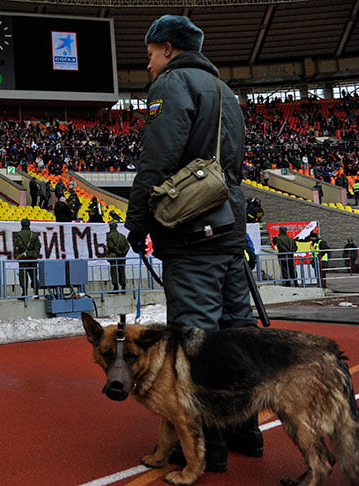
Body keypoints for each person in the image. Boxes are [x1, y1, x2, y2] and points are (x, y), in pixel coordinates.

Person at [124, 15, 261, 472]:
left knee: (195, 336)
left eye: (149, 55)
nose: (147, 66)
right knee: (237, 329)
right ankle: (246, 431)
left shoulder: (172, 84)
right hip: (229, 223)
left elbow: (158, 158)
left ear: (166, 48)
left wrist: (137, 222)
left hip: (191, 229)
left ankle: (205, 449)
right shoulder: (227, 92)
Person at [13, 219, 41, 297]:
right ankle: (36, 293)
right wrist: (32, 254)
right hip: (32, 259)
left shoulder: (19, 235)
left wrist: (26, 254)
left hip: (23, 259)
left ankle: (24, 293)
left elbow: (19, 245)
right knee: (34, 276)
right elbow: (38, 247)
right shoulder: (34, 235)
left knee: (23, 276)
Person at [106, 222, 130, 292]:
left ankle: (115, 287)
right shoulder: (122, 236)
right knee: (122, 271)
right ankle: (123, 287)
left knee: (114, 271)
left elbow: (111, 246)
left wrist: (119, 253)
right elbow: (127, 246)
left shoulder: (109, 236)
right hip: (122, 257)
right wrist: (123, 253)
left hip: (114, 256)